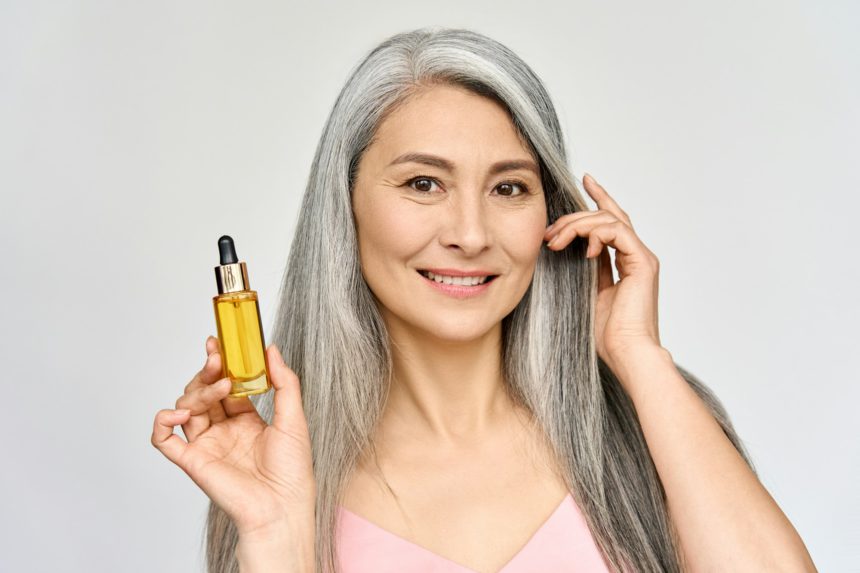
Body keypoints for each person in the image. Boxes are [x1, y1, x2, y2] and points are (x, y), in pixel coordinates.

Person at [151, 27, 817, 573]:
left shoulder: (648, 421)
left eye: (508, 188)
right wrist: (276, 536)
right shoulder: (285, 470)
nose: (470, 234)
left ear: (549, 214)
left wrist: (639, 358)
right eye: (423, 183)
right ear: (345, 208)